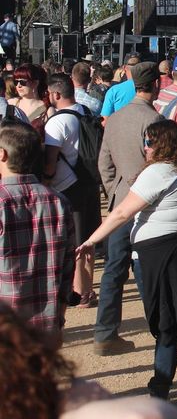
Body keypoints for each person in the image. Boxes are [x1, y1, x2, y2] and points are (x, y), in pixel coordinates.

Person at [76, 120, 177, 409]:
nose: (146, 147)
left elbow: (121, 213)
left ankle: (160, 391)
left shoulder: (160, 171)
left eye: (150, 142)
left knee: (166, 324)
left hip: (162, 257)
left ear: (164, 144)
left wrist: (91, 240)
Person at [93, 62, 163, 355]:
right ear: (156, 85)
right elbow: (161, 165)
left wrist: (116, 191)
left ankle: (105, 332)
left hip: (121, 198)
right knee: (149, 267)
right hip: (149, 202)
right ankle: (161, 328)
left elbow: (103, 163)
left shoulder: (116, 118)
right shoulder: (155, 120)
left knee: (114, 267)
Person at [0, 123, 75, 339]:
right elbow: (68, 262)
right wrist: (60, 311)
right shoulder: (59, 201)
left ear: (2, 154)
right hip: (46, 319)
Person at [43, 73, 99, 307]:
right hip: (90, 182)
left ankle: (79, 292)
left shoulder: (57, 122)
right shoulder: (86, 112)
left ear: (55, 94)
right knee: (88, 240)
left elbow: (50, 161)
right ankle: (86, 289)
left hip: (66, 187)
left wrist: (44, 180)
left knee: (72, 242)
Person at [100, 55, 142, 119]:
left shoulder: (114, 90)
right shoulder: (148, 88)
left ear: (124, 68)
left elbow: (105, 119)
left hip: (118, 127)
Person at [12, 63, 50, 133]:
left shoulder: (48, 110)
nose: (18, 85)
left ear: (35, 83)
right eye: (16, 82)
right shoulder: (11, 103)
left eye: (23, 82)